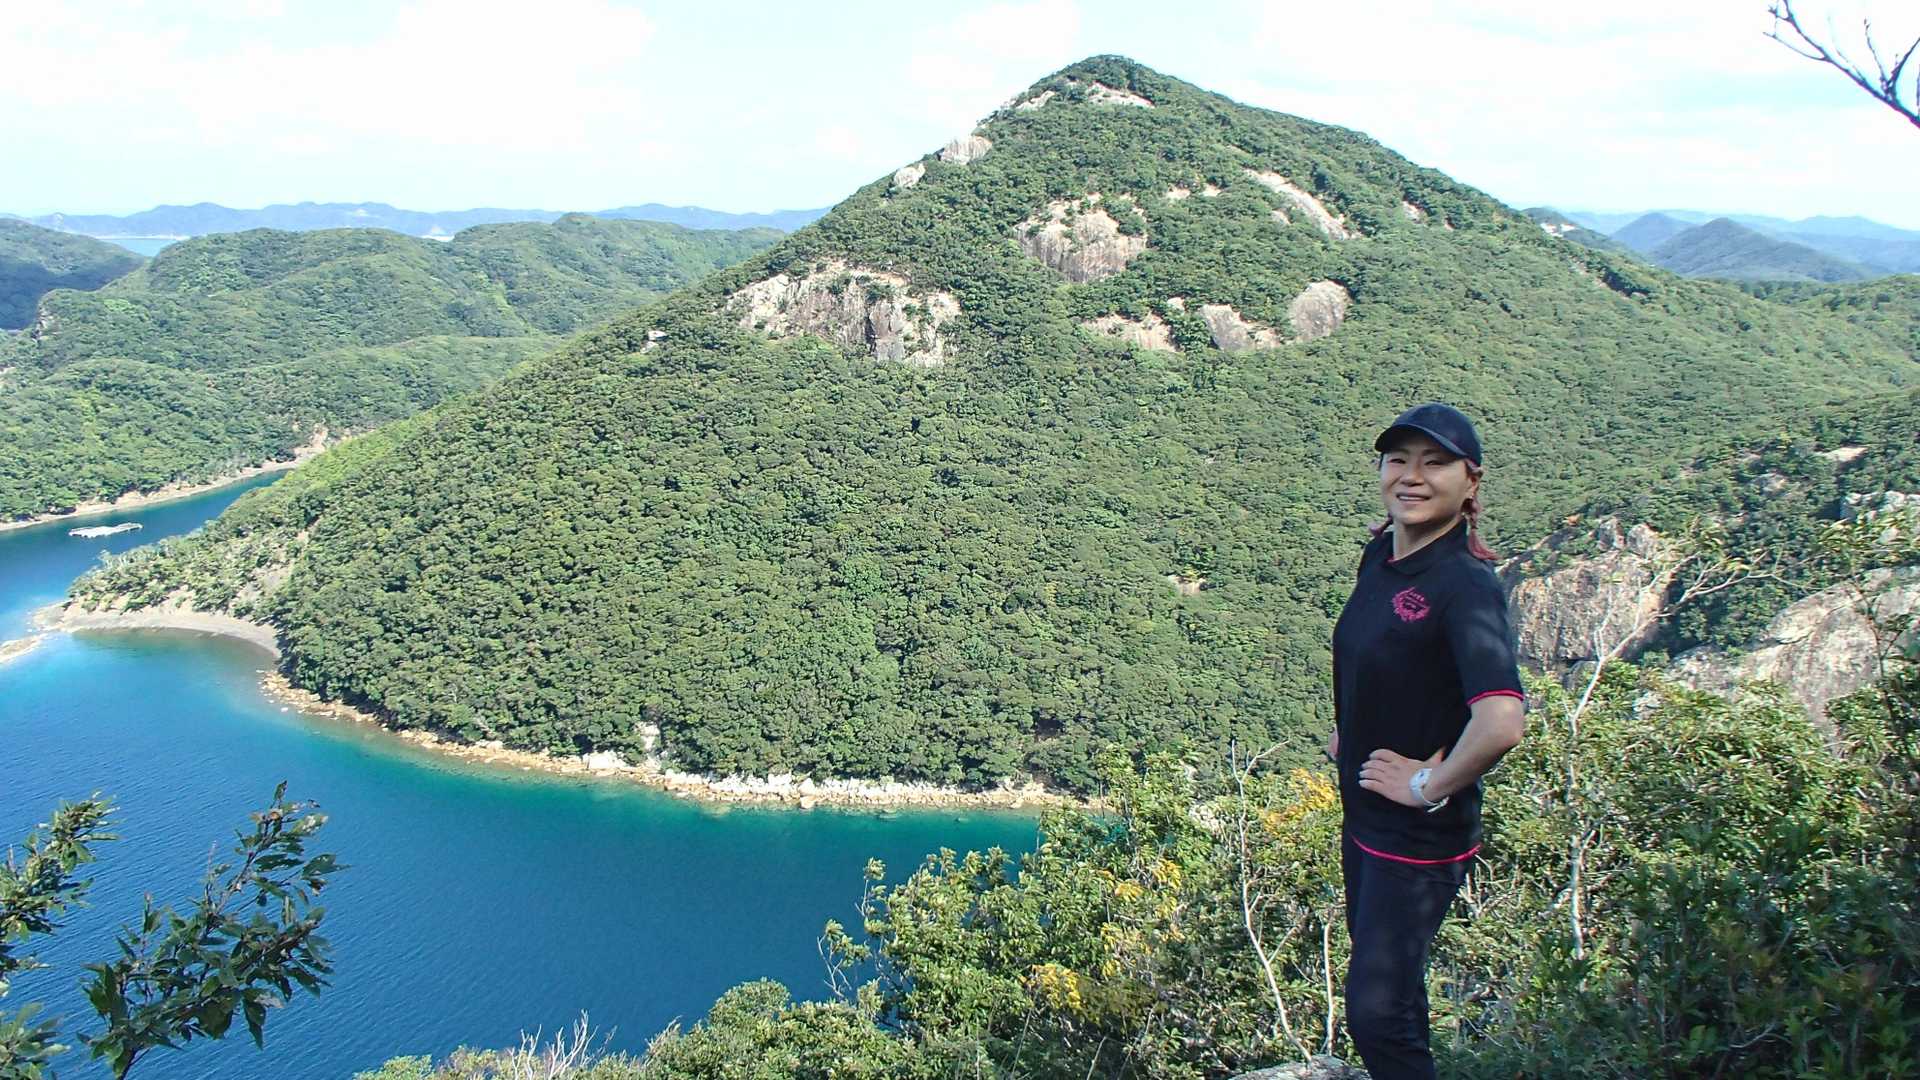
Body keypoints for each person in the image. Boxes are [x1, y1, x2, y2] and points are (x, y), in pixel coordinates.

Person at [1327, 403, 1527, 1080]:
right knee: (1394, 994)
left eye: (1434, 463)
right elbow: (1377, 652)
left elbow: (1501, 720)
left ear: (1471, 481)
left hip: (1418, 839)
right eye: (1399, 460)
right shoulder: (1382, 554)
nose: (1412, 476)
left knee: (1376, 1013)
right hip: (1365, 818)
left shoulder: (1464, 586)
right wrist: (1353, 728)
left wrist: (1425, 785)